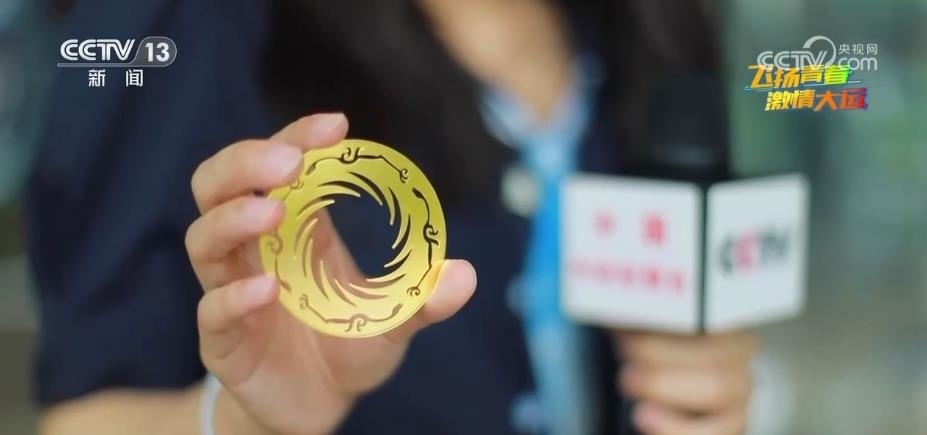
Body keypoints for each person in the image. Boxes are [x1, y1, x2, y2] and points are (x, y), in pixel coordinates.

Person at [30, 0, 756, 434]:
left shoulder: (655, 27)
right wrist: (243, 421)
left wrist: (704, 395)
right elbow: (83, 416)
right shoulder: (187, 21)